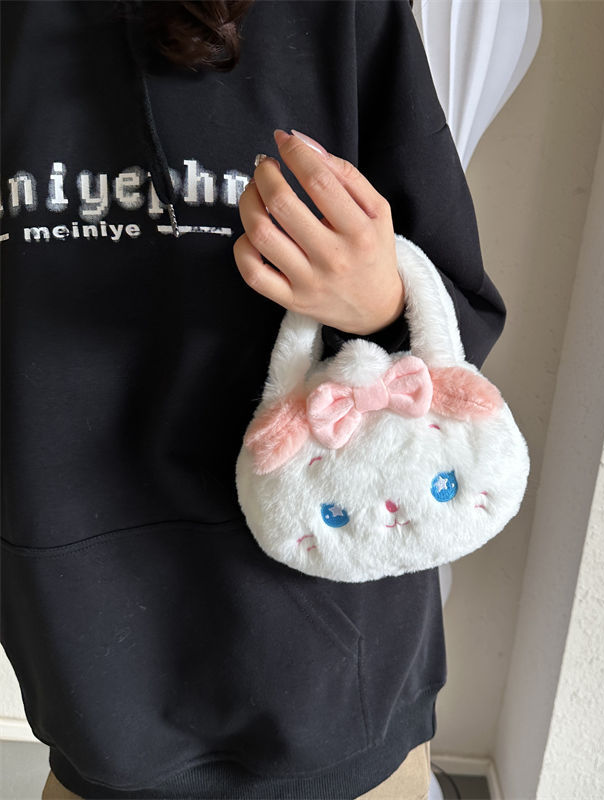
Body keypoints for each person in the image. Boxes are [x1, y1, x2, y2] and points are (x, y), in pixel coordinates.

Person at [0, 1, 506, 798]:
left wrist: (377, 300)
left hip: (344, 675)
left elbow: (456, 315)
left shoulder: (346, 14)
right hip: (87, 683)